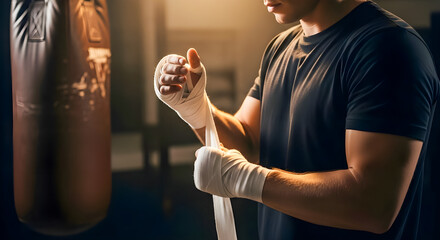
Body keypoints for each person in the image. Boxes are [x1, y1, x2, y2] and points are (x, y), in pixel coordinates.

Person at [154, 0, 439, 239]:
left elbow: (373, 203)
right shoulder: (279, 48)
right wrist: (195, 107)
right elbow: (249, 143)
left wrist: (248, 180)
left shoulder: (388, 47)